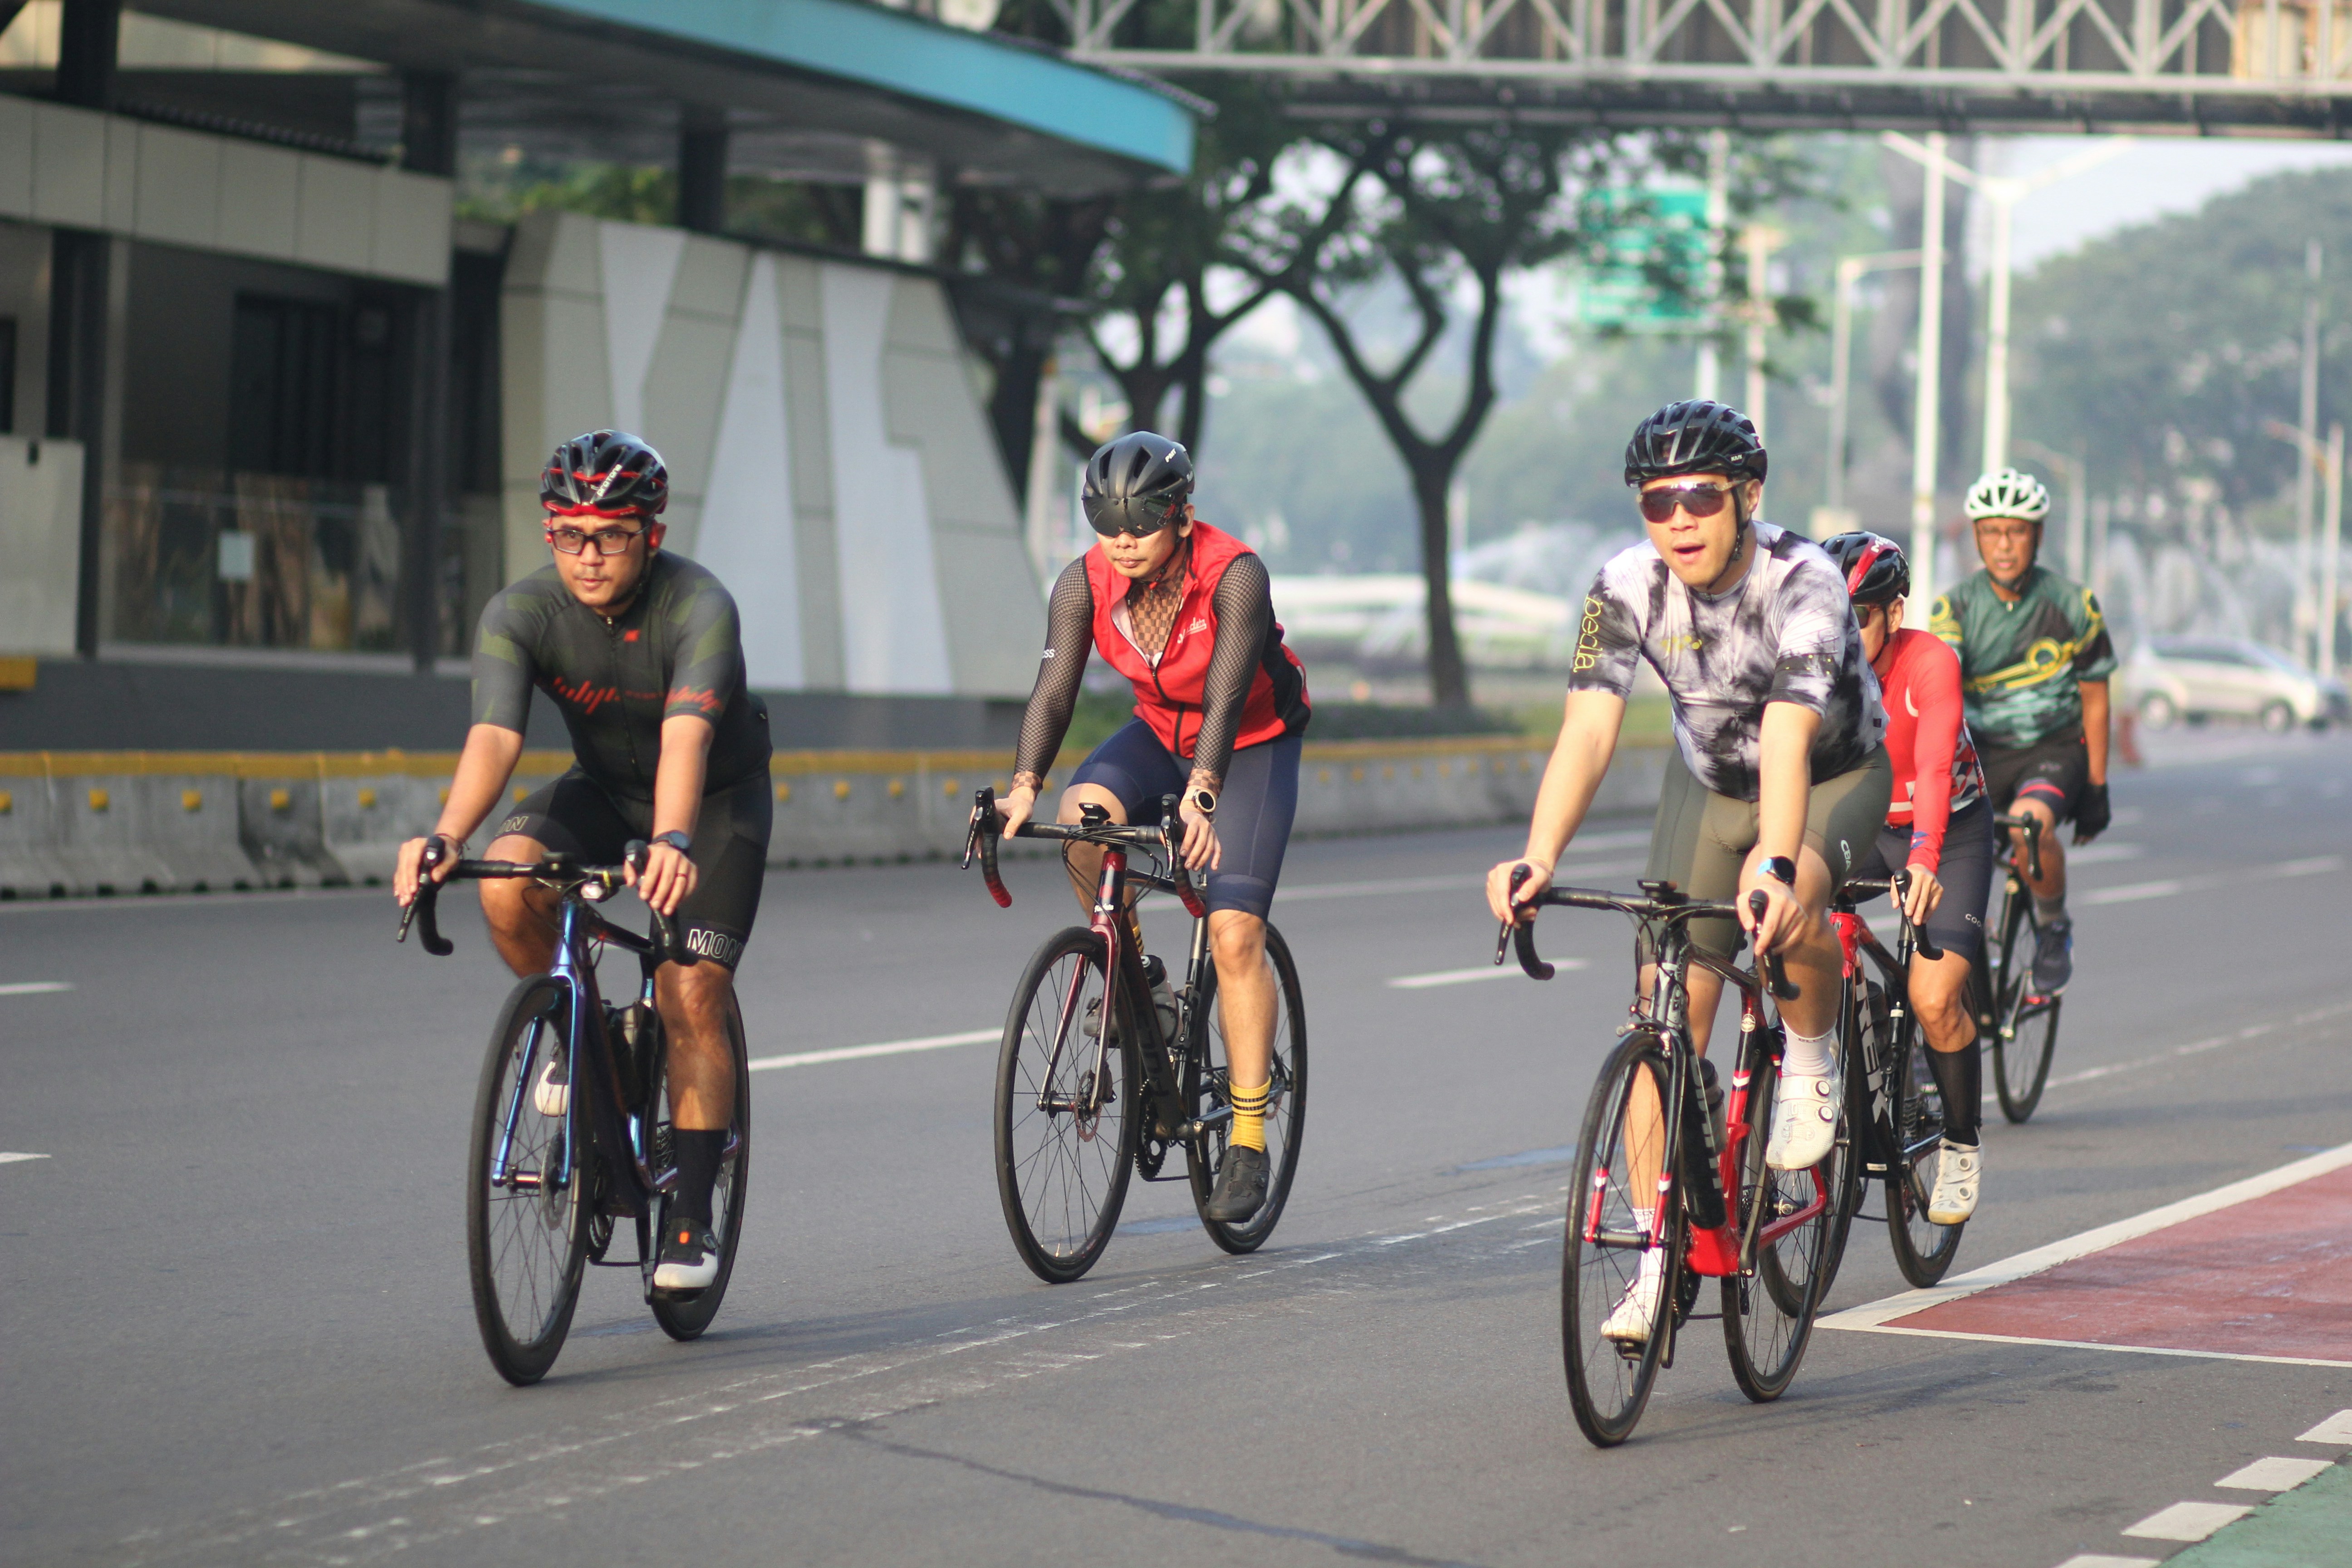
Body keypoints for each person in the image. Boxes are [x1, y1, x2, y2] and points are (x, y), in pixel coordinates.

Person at [1486, 400, 1890, 1342]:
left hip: (1829, 773)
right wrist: (1540, 856)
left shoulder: (1808, 582)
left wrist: (1778, 866)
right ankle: (1655, 1258)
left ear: (1747, 495)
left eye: (1701, 498)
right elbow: (1589, 729)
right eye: (1656, 501)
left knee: (1790, 913)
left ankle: (1812, 1054)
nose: (1678, 521)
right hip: (1707, 781)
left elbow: (1789, 739)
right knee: (1663, 1014)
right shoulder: (1622, 585)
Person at [393, 430, 773, 1294]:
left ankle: (688, 1215)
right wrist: (446, 837)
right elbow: (494, 735)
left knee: (688, 994)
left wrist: (671, 841)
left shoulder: (699, 605)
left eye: (612, 535)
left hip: (712, 805)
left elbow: (688, 738)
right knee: (508, 876)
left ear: (653, 535)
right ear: (548, 533)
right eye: (570, 534)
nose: (590, 555)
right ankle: (585, 1028)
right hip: (603, 789)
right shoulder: (520, 613)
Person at [997, 431, 1311, 1223]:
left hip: (1247, 745)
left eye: (1140, 521)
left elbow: (1227, 695)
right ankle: (1145, 986)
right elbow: (1054, 689)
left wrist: (1202, 795)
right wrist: (1022, 785)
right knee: (1081, 820)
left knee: (1236, 932)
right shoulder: (1082, 585)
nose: (1123, 540)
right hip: (1155, 733)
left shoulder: (1234, 574)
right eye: (1106, 525)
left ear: (1182, 515)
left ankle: (1246, 1136)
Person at [1822, 531, 1994, 1225]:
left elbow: (1929, 766)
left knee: (1933, 999)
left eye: (1858, 617)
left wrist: (1923, 858)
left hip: (1948, 829)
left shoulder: (1931, 662)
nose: (1841, 635)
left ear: (1894, 613)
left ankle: (1959, 1140)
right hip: (1865, 825)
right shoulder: (1818, 666)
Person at [1932, 469, 2117, 996]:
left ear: (2037, 535)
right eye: (1992, 532)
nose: (2004, 545)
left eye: (2017, 531)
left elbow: (2096, 697)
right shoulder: (1957, 608)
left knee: (2029, 827)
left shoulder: (2074, 605)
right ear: (1977, 537)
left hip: (2053, 750)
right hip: (1984, 753)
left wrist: (2098, 789)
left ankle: (2054, 927)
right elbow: (1940, 691)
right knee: (1944, 852)